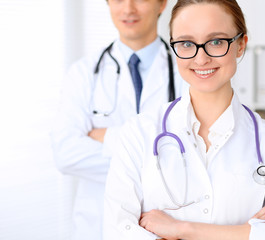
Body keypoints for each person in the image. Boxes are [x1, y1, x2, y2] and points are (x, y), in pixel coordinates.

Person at [103, 0, 265, 239]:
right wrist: (245, 232)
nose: (201, 59)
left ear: (241, 45)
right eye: (187, 44)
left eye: (217, 41)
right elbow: (118, 233)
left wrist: (183, 229)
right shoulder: (139, 133)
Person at [50, 0, 187, 239]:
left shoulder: (188, 71)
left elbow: (195, 156)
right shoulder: (83, 74)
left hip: (166, 228)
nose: (128, 9)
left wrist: (106, 136)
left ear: (162, 3)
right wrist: (156, 151)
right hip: (97, 228)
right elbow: (65, 154)